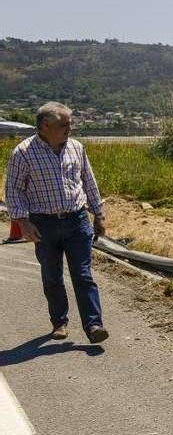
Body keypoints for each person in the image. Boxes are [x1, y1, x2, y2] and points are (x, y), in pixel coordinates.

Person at [4, 102, 109, 344]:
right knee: (52, 277)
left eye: (70, 123)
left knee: (83, 275)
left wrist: (99, 214)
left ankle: (94, 325)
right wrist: (23, 223)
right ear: (45, 126)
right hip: (44, 225)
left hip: (77, 221)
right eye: (64, 124)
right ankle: (59, 322)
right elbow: (14, 192)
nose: (69, 128)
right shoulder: (23, 153)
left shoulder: (76, 148)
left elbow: (88, 182)